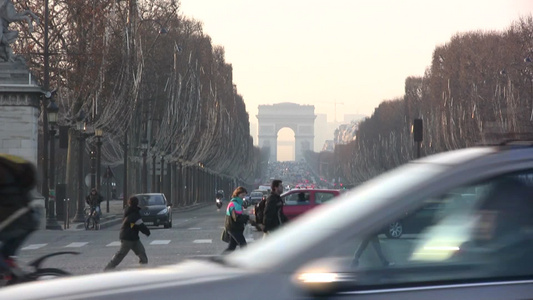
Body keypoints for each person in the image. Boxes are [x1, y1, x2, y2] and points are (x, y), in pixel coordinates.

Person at [104, 196, 150, 270]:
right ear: (137, 203)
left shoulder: (129, 211)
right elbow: (141, 225)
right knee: (122, 254)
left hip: (133, 237)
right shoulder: (134, 213)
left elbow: (137, 225)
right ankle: (109, 267)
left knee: (141, 253)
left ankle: (142, 269)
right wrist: (147, 232)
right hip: (128, 238)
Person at [223, 186, 249, 253]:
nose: (243, 197)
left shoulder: (237, 203)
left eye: (244, 195)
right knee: (243, 245)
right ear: (237, 194)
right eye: (242, 195)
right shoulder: (234, 204)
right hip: (234, 228)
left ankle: (221, 259)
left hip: (233, 227)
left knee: (231, 247)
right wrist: (247, 218)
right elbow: (236, 218)